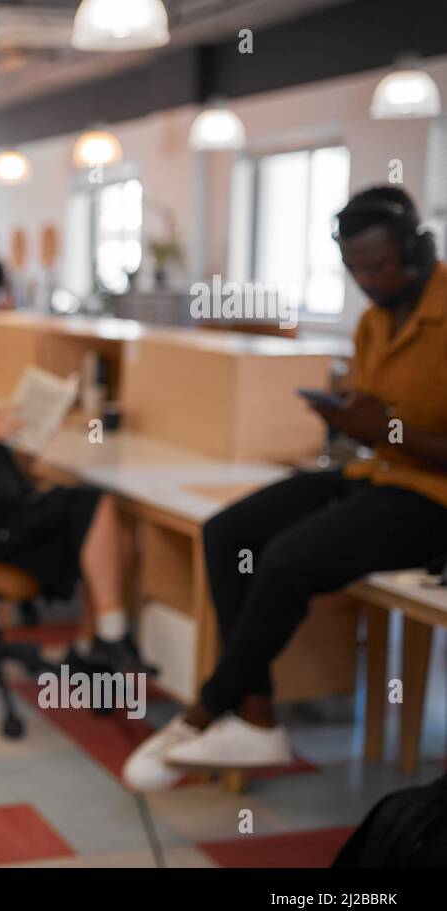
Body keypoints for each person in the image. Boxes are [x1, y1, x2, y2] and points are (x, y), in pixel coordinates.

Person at [123, 185, 447, 791]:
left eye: (377, 265)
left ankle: (207, 709)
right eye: (353, 269)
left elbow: (398, 429)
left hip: (431, 498)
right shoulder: (376, 322)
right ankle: (258, 715)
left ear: (415, 247)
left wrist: (385, 428)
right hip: (376, 474)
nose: (367, 281)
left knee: (286, 560)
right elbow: (377, 416)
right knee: (226, 531)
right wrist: (354, 417)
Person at [0, 312, 156, 676]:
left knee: (112, 532)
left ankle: (92, 649)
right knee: (93, 503)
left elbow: (5, 470)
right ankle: (111, 636)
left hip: (7, 511)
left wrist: (36, 441)